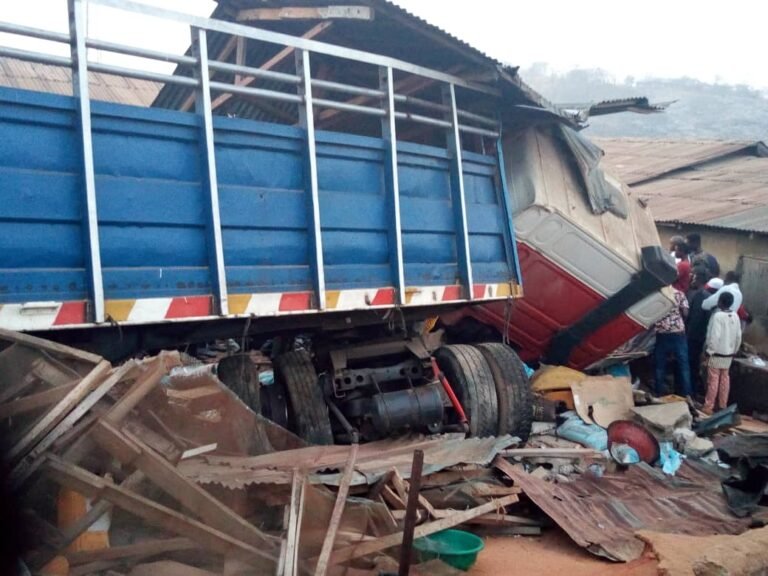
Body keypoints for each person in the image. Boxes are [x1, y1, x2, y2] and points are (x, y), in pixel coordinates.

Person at [703, 291, 742, 414]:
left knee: (713, 379)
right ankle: (722, 405)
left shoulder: (718, 316)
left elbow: (715, 336)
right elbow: (738, 336)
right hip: (729, 353)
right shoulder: (735, 316)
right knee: (725, 379)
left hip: (716, 353)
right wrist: (735, 349)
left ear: (720, 302)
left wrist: (709, 351)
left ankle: (708, 406)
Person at [654, 279, 692, 398]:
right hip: (678, 333)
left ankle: (658, 394)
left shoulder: (657, 294)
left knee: (660, 365)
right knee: (683, 365)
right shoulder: (679, 294)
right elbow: (685, 313)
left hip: (662, 333)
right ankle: (687, 395)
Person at [686, 278, 719, 398]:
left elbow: (688, 315)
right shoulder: (710, 301)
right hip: (700, 338)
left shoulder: (697, 295)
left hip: (690, 334)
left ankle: (685, 390)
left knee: (689, 363)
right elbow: (708, 323)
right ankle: (691, 391)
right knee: (694, 365)